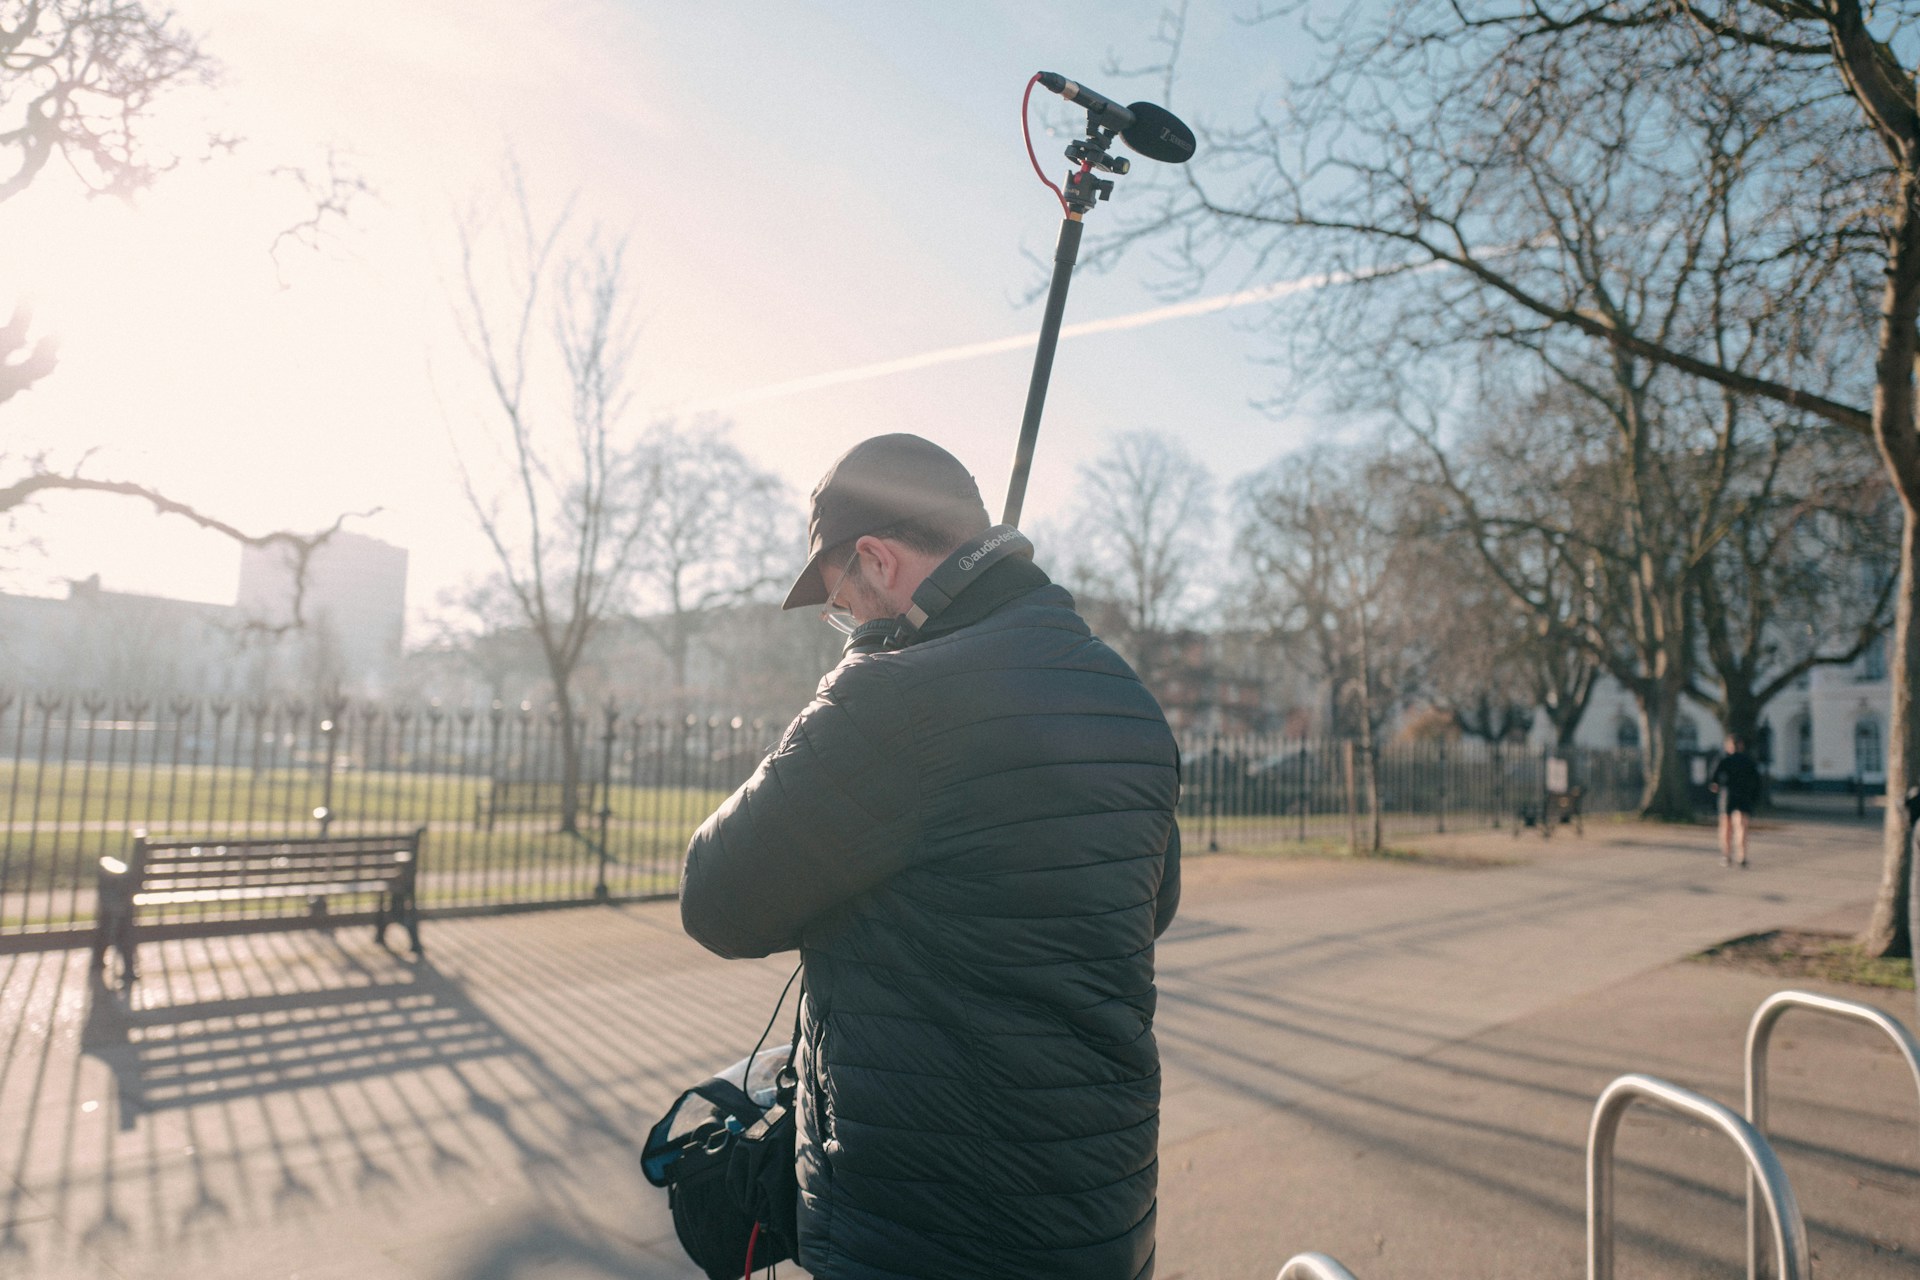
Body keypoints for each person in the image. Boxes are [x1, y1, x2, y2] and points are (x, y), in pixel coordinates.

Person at [680, 433, 1182, 1280]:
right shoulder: (1121, 694)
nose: (847, 625)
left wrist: (857, 680)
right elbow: (1147, 905)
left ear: (876, 560)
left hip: (930, 1225)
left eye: (842, 602)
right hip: (1101, 1213)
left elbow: (716, 897)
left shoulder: (891, 698)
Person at [1709, 733, 1761, 867]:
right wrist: (1754, 796)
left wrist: (1715, 785)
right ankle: (1742, 855)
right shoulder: (1748, 760)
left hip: (1728, 795)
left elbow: (1713, 779)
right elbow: (1756, 780)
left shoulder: (1723, 759)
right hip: (1744, 795)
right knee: (1742, 826)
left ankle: (1726, 855)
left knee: (1726, 826)